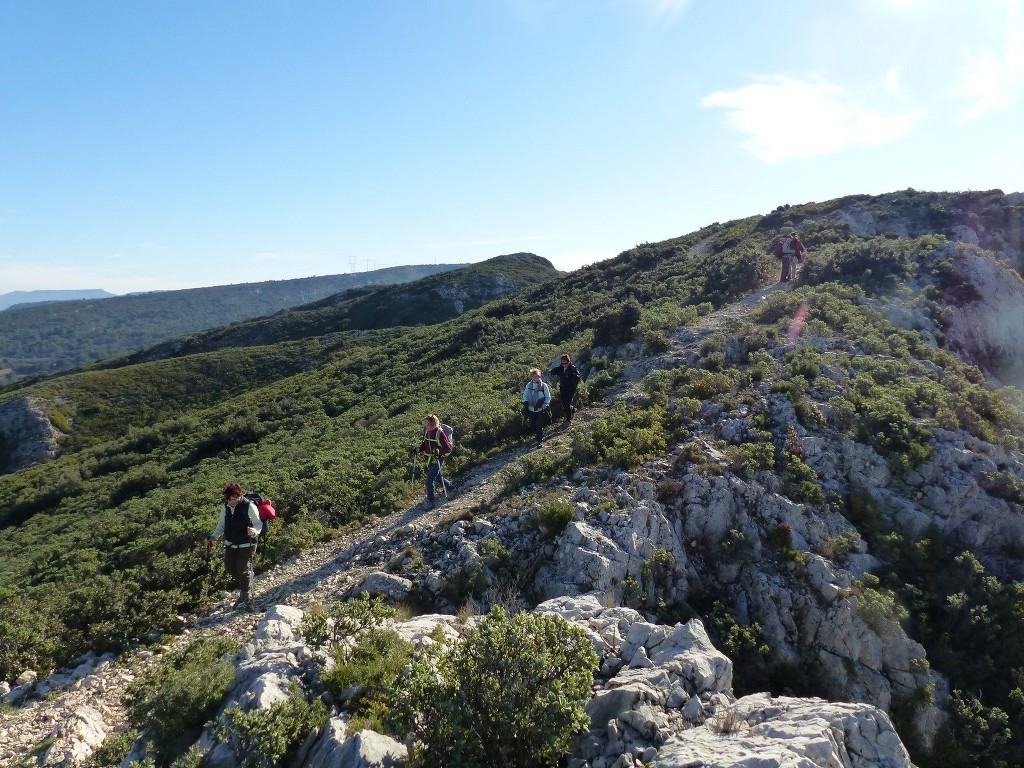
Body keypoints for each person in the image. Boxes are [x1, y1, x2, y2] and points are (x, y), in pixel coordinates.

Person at [206, 482, 263, 609]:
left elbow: (258, 523)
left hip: (247, 542)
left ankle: (245, 594)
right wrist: (213, 537)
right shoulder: (226, 507)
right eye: (228, 499)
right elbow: (222, 524)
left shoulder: (249, 506)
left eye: (233, 499)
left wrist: (254, 531)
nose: (230, 502)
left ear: (239, 495)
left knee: (241, 568)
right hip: (231, 542)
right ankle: (247, 578)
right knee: (230, 568)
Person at [419, 414, 455, 506]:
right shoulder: (428, 431)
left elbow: (447, 448)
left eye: (426, 423)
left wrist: (438, 452)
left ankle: (430, 500)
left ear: (432, 423)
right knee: (438, 476)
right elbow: (425, 443)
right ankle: (451, 487)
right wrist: (419, 449)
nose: (425, 425)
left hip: (437, 459)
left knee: (429, 480)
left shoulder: (439, 433)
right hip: (430, 459)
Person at [522, 367, 552, 445]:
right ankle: (537, 436)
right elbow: (525, 395)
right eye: (533, 376)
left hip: (540, 408)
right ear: (531, 377)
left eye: (536, 376)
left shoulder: (543, 386)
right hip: (531, 408)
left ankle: (539, 439)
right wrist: (525, 402)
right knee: (532, 424)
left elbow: (548, 397)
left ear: (539, 376)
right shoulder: (529, 385)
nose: (535, 378)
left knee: (539, 424)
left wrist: (545, 404)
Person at [549, 353, 582, 423]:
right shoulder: (561, 368)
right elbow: (552, 372)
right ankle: (572, 409)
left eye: (565, 363)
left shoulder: (573, 368)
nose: (564, 364)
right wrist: (558, 368)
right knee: (564, 405)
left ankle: (568, 419)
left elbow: (578, 378)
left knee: (567, 404)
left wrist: (572, 375)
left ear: (568, 361)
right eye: (562, 363)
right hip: (563, 388)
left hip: (571, 389)